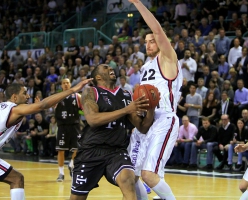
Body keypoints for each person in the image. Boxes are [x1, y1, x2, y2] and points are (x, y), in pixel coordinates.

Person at [0, 79, 92, 200]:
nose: (28, 96)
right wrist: (73, 89)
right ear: (14, 97)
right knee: (16, 179)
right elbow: (43, 105)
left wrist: (36, 107)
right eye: (24, 93)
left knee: (16, 178)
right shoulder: (14, 109)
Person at [70, 64, 154, 200]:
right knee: (77, 198)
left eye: (111, 67)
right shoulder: (91, 92)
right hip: (91, 151)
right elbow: (92, 120)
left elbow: (142, 127)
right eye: (105, 67)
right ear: (98, 76)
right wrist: (126, 110)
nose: (111, 69)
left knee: (128, 179)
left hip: (116, 151)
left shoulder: (126, 95)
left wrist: (151, 107)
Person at [127, 0, 183, 199]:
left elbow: (157, 30)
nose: (148, 44)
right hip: (146, 123)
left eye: (152, 41)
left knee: (148, 175)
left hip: (164, 119)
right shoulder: (145, 67)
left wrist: (137, 4)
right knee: (130, 176)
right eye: (146, 42)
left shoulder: (167, 58)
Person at [55, 78, 82, 181]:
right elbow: (47, 105)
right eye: (63, 83)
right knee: (61, 150)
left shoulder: (77, 96)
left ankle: (71, 164)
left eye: (67, 83)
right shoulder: (57, 97)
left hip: (75, 126)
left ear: (70, 84)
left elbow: (86, 106)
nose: (66, 84)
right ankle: (61, 173)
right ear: (61, 85)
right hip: (62, 126)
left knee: (78, 149)